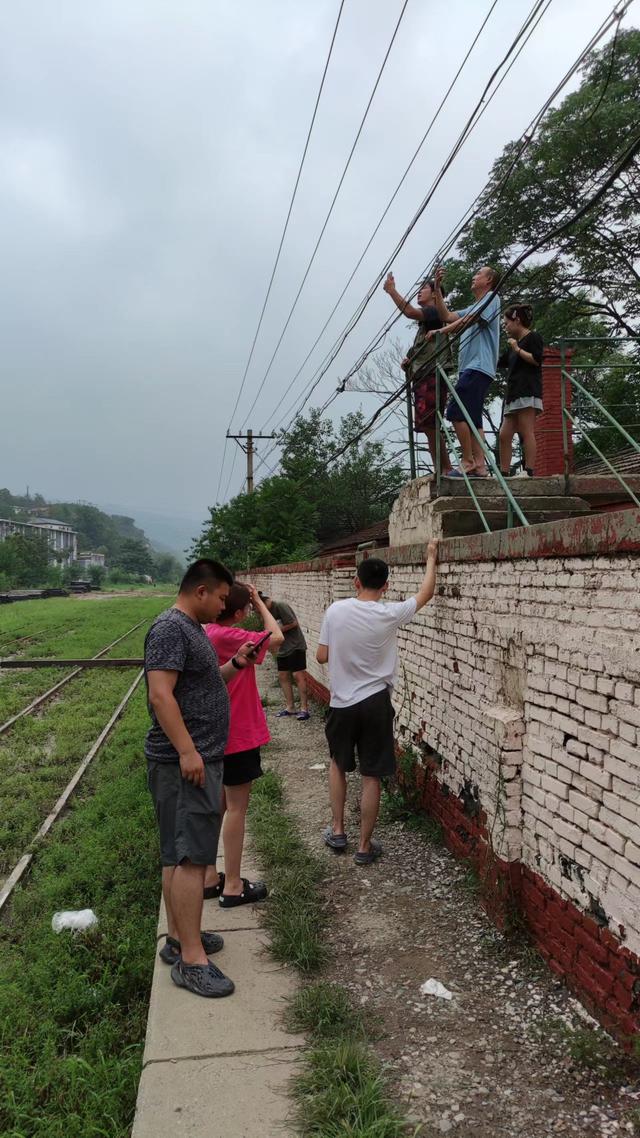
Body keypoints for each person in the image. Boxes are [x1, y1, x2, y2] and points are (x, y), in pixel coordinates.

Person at [144, 558, 258, 999]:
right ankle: (192, 960)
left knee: (179, 855)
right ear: (201, 592)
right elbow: (160, 693)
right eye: (222, 600)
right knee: (192, 858)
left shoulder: (190, 629)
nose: (224, 608)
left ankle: (179, 938)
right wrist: (188, 750)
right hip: (185, 763)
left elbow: (205, 683)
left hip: (196, 759)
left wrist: (238, 665)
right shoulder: (172, 629)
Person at [316, 542, 438, 865]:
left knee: (338, 764)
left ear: (356, 581)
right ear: (386, 585)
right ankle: (364, 846)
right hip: (375, 703)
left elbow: (321, 656)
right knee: (372, 774)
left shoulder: (335, 611)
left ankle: (338, 830)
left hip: (342, 703)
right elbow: (425, 594)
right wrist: (430, 558)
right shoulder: (389, 614)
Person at [203, 583, 284, 905]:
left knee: (219, 806)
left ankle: (210, 877)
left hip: (217, 731)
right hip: (237, 732)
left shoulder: (207, 631)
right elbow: (275, 638)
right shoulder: (229, 636)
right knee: (237, 808)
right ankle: (233, 885)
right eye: (247, 607)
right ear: (238, 612)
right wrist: (261, 604)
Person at [430, 265, 501, 478]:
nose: (474, 275)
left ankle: (467, 460)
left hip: (478, 366)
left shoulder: (492, 298)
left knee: (454, 412)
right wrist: (437, 289)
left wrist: (441, 331)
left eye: (479, 273)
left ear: (489, 280)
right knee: (473, 419)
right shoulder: (475, 305)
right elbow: (447, 315)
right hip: (471, 369)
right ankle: (480, 465)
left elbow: (466, 321)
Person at [383, 273, 453, 476]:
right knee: (427, 426)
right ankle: (441, 468)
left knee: (431, 423)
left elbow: (410, 312)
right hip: (423, 375)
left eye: (423, 288)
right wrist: (409, 360)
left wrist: (392, 291)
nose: (419, 292)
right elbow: (420, 349)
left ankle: (446, 468)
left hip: (432, 375)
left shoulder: (433, 312)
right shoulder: (425, 325)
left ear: (435, 294)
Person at [498, 303, 544, 478]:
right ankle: (504, 472)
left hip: (528, 390)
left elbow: (536, 360)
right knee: (504, 434)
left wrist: (517, 349)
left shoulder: (533, 338)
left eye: (507, 323)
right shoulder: (511, 346)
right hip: (513, 393)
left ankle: (529, 470)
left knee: (526, 431)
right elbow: (499, 362)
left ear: (517, 320)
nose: (505, 327)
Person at [259, 593, 310, 721]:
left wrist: (276, 630)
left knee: (298, 675)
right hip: (282, 648)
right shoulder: (265, 612)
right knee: (283, 676)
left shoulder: (280, 606)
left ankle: (304, 709)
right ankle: (290, 707)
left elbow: (294, 623)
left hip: (295, 645)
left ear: (265, 601)